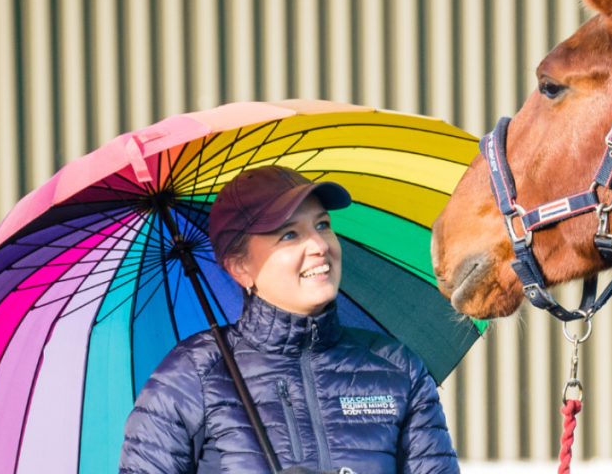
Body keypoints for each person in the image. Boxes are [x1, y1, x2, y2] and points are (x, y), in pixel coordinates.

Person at [119, 166, 459, 474]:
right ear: (240, 268)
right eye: (289, 235)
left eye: (322, 225)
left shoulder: (396, 369)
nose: (319, 245)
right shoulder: (188, 377)